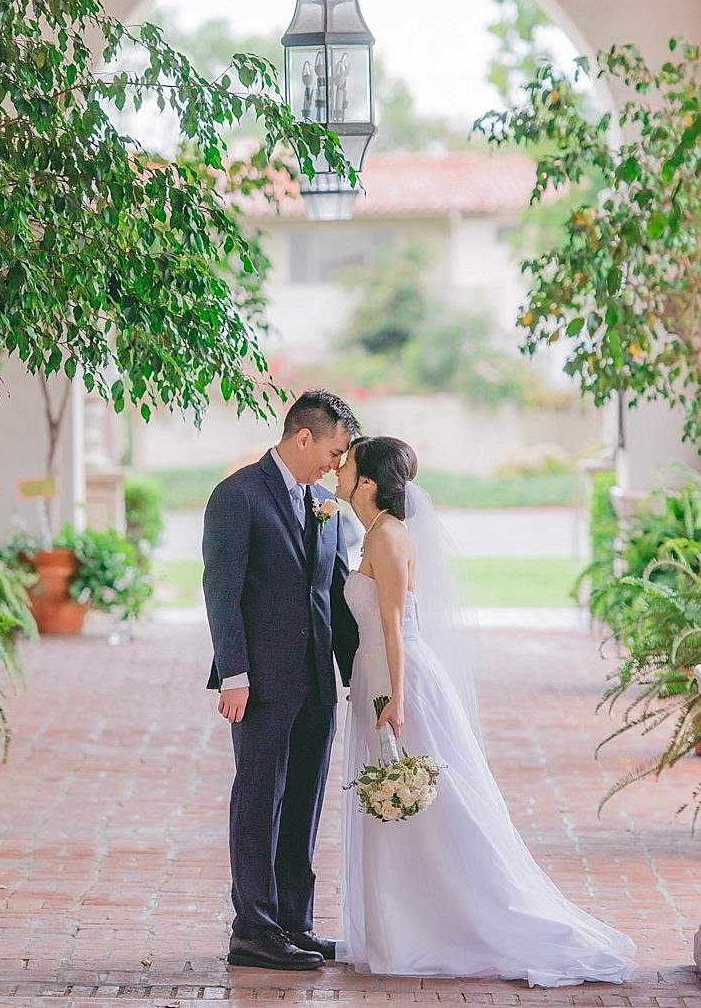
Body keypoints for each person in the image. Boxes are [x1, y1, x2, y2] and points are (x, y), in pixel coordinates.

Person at [337, 435, 635, 985]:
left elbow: (396, 624)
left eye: (347, 465)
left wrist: (395, 696)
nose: (339, 470)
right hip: (376, 675)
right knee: (396, 800)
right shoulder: (374, 532)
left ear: (369, 483)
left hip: (399, 680)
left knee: (424, 799)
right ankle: (398, 932)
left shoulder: (389, 536)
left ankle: (441, 927)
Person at [202, 389, 362, 970]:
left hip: (318, 683)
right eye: (335, 451)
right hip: (262, 684)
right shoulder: (236, 497)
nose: (337, 465)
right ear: (304, 438)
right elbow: (222, 593)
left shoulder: (325, 505)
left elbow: (336, 599)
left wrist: (366, 675)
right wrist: (234, 675)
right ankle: (254, 929)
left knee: (303, 803)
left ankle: (294, 923)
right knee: (258, 802)